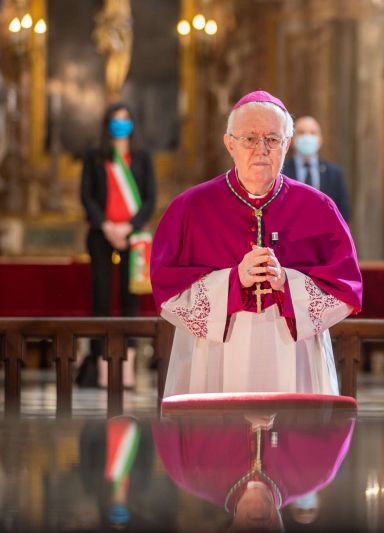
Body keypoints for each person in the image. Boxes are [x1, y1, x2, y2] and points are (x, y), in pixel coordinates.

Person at [150, 90, 362, 397]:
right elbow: (167, 292)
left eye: (273, 139)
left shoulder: (319, 209)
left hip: (292, 351)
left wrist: (287, 283)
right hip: (216, 353)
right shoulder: (190, 208)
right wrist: (234, 281)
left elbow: (346, 289)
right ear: (230, 143)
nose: (261, 149)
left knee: (294, 439)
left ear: (287, 145)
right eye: (250, 138)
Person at [153, 399, 356, 531]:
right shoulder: (319, 471)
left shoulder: (187, 472)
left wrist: (232, 407)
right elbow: (342, 402)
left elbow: (163, 402)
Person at [80, 102, 156, 388]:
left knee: (130, 302)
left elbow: (150, 198)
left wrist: (129, 226)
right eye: (116, 120)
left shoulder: (142, 156)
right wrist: (106, 225)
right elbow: (86, 195)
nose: (121, 125)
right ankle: (102, 369)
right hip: (101, 235)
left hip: (133, 237)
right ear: (107, 124)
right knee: (100, 300)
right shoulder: (95, 155)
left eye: (126, 120)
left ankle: (126, 369)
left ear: (133, 124)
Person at [281, 116, 351, 222]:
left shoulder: (334, 173)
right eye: (301, 133)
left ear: (320, 140)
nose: (307, 137)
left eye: (313, 133)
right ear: (292, 139)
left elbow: (343, 212)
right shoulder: (281, 172)